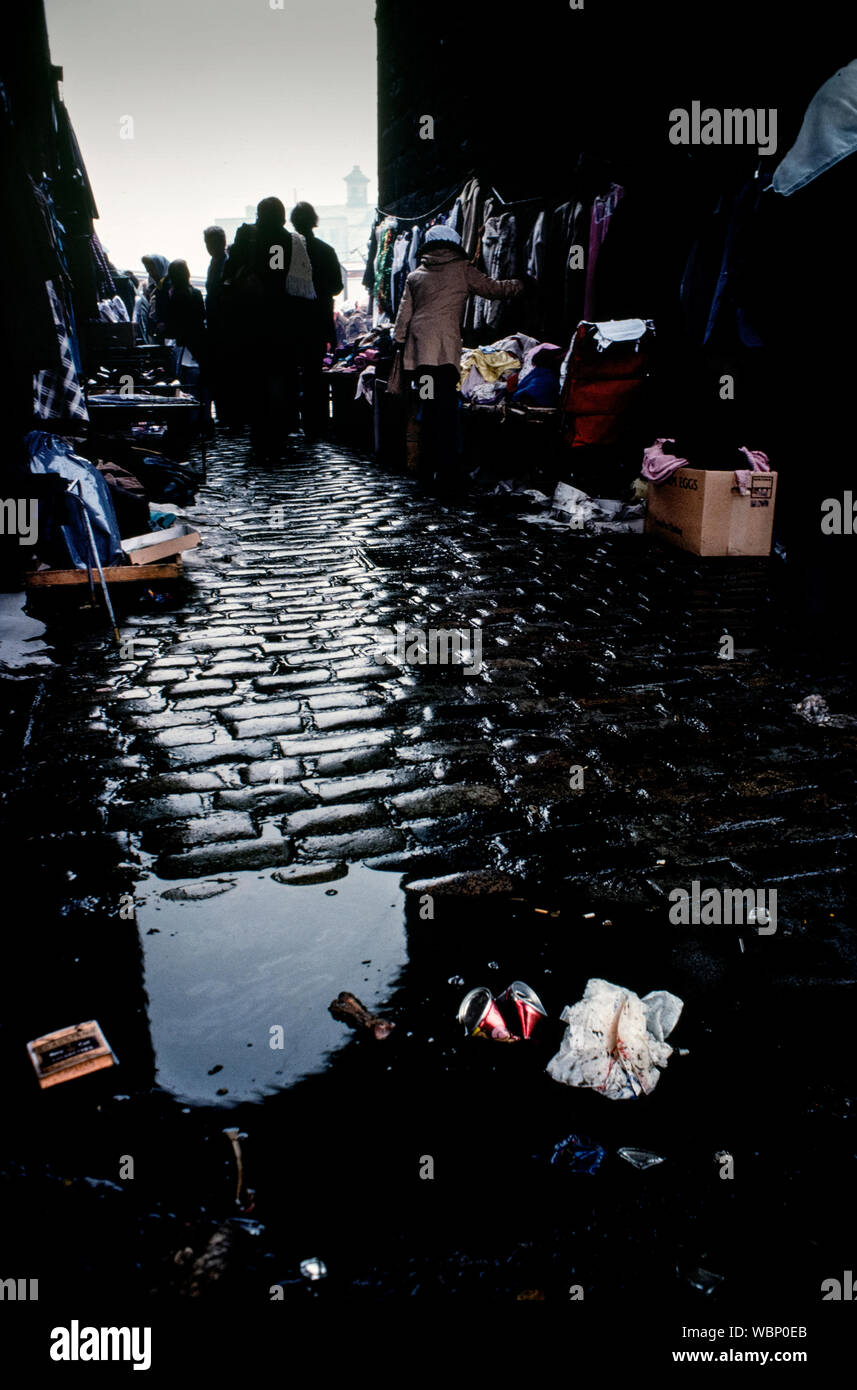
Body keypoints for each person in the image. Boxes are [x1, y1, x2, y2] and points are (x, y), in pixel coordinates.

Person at [392, 225, 524, 490]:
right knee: (446, 412)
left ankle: (427, 471)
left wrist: (399, 346)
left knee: (428, 408)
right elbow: (493, 289)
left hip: (421, 357)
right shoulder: (462, 269)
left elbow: (402, 319)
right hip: (445, 356)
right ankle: (449, 472)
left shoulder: (415, 275)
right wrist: (520, 285)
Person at [223, 195, 316, 457]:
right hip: (280, 323)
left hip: (252, 322)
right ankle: (278, 427)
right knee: (281, 376)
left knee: (256, 377)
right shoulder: (287, 240)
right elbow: (280, 277)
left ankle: (261, 427)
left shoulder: (247, 237)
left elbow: (229, 275)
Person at [290, 201, 343, 433]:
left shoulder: (283, 251)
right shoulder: (326, 250)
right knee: (315, 372)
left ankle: (293, 419)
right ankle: (317, 422)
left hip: (292, 323)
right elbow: (337, 287)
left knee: (292, 373)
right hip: (318, 322)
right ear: (314, 221)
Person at [155, 259, 207, 406]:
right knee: (200, 388)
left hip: (184, 348)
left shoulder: (174, 296)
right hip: (198, 345)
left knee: (185, 387)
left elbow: (172, 324)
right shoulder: (196, 293)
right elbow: (201, 316)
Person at [202, 225, 229, 424]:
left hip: (223, 326)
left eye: (211, 243)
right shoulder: (214, 262)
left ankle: (227, 413)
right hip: (215, 325)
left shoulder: (225, 263)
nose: (209, 247)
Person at [139, 254, 169, 343]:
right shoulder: (155, 286)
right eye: (148, 271)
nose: (151, 274)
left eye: (152, 270)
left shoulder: (168, 286)